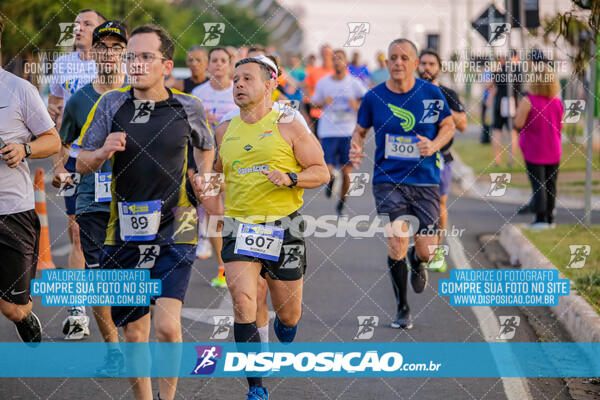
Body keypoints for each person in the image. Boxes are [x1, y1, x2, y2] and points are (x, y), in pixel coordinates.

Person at [76, 24, 214, 400]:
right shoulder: (111, 105)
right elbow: (80, 163)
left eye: (146, 57)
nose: (136, 64)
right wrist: (102, 152)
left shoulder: (189, 106)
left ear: (166, 65)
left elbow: (206, 146)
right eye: (131, 56)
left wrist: (203, 180)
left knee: (168, 328)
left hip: (178, 224)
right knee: (135, 332)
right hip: (123, 231)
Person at [203, 56, 329, 399]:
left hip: (283, 227)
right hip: (239, 226)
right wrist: (204, 189)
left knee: (289, 313)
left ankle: (285, 326)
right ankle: (256, 387)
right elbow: (214, 173)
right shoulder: (224, 130)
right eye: (235, 80)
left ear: (269, 85)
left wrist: (291, 178)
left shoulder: (289, 126)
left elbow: (321, 171)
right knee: (243, 301)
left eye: (247, 79)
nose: (239, 85)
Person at [350, 39, 455, 329]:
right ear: (387, 63)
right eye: (393, 58)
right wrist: (356, 147)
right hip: (388, 179)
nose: (398, 62)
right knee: (396, 240)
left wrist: (433, 145)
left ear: (415, 62)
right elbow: (360, 131)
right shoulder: (374, 97)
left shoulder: (430, 94)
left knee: (426, 251)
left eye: (404, 58)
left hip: (425, 181)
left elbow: (448, 126)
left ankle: (417, 260)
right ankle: (402, 307)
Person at [60, 20, 128, 368]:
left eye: (117, 48)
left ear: (126, 54)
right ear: (93, 52)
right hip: (92, 199)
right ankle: (114, 350)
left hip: (135, 201)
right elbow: (63, 145)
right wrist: (61, 171)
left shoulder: (140, 95)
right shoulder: (78, 100)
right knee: (100, 276)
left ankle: (135, 343)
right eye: (103, 47)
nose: (110, 53)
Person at [0, 15, 61, 343]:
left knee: (13, 308)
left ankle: (22, 312)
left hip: (13, 210)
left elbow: (52, 140)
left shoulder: (18, 89)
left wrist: (23, 149)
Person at [48, 10, 105, 329]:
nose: (78, 28)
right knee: (77, 234)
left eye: (87, 24)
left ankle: (124, 305)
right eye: (76, 24)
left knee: (118, 235)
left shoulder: (115, 67)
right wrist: (58, 164)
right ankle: (77, 309)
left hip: (112, 162)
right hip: (75, 160)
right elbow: (55, 116)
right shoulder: (62, 65)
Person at [417, 48, 467, 272]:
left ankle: (436, 252)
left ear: (439, 68)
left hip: (441, 158)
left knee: (440, 205)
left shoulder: (448, 94)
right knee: (414, 206)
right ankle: (418, 251)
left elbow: (463, 125)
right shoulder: (410, 91)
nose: (427, 68)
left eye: (431, 64)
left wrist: (441, 102)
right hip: (413, 160)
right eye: (423, 63)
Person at [191, 46, 236, 288]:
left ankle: (244, 262)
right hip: (206, 158)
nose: (218, 65)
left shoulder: (237, 92)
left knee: (233, 212)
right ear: (208, 65)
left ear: (230, 65)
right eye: (214, 61)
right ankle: (222, 269)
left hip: (234, 158)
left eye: (223, 61)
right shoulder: (198, 93)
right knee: (213, 213)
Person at [311, 49, 366, 215]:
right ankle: (331, 180)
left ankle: (342, 202)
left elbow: (367, 101)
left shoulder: (354, 83)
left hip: (347, 131)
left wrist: (355, 105)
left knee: (346, 173)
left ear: (345, 62)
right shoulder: (324, 83)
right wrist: (322, 102)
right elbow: (313, 104)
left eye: (340, 59)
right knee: (327, 170)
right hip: (328, 131)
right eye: (334, 59)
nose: (336, 62)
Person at [513, 58, 563, 229]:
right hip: (554, 149)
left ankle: (540, 219)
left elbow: (518, 123)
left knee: (538, 184)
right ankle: (549, 218)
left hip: (534, 149)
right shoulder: (557, 102)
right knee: (550, 184)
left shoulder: (528, 101)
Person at [491, 54, 518, 166]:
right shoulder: (516, 70)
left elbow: (493, 86)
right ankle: (511, 160)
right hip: (510, 102)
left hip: (499, 102)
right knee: (512, 132)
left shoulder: (498, 69)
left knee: (497, 131)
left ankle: (497, 160)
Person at [304, 45, 334, 134]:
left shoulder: (338, 72)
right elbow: (307, 88)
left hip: (334, 113)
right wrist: (312, 102)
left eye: (328, 53)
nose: (326, 55)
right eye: (324, 53)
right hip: (317, 113)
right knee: (318, 140)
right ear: (320, 55)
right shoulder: (314, 72)